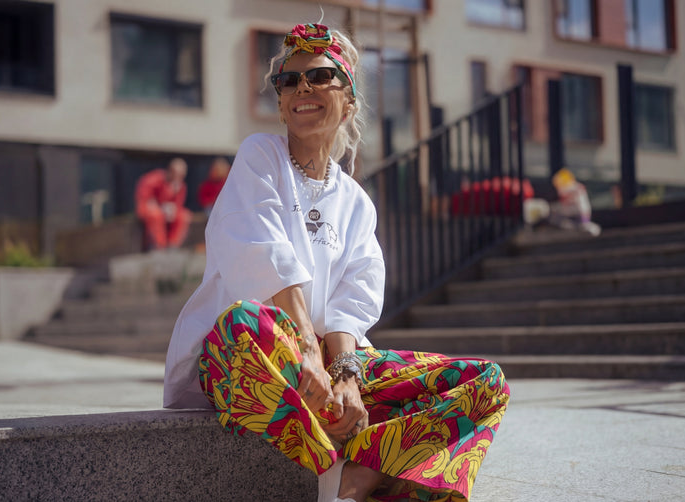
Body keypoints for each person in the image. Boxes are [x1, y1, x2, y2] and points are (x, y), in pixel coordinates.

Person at [163, 22, 509, 502]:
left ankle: (357, 479)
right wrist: (306, 349)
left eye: (320, 76)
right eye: (289, 80)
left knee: (484, 381)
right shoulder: (260, 156)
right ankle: (339, 470)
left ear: (349, 100)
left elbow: (357, 293)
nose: (303, 87)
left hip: (330, 365)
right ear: (281, 102)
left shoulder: (356, 201)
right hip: (259, 361)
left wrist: (344, 372)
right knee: (243, 323)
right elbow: (260, 249)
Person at [135, 158, 193, 250]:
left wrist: (173, 199)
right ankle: (159, 247)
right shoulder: (153, 179)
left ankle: (172, 246)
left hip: (166, 213)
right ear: (170, 171)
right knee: (156, 215)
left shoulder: (180, 185)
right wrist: (160, 206)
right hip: (151, 211)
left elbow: (178, 206)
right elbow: (144, 200)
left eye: (181, 176)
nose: (179, 178)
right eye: (176, 175)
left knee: (184, 216)